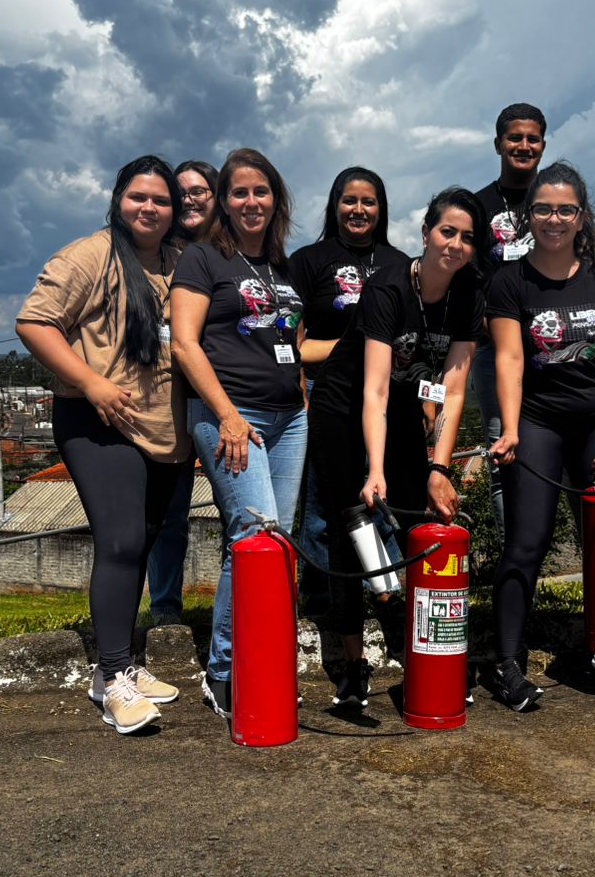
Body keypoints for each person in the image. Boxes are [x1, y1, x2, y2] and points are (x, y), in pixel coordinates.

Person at [16, 154, 190, 734]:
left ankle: (122, 661)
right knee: (119, 542)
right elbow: (35, 321)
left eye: (160, 200)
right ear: (118, 200)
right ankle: (112, 675)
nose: (149, 208)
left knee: (142, 544)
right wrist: (91, 382)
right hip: (99, 421)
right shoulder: (90, 255)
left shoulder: (180, 260)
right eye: (138, 197)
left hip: (165, 426)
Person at [305, 188, 486, 705]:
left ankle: (422, 654)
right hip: (344, 405)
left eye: (467, 237)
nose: (454, 244)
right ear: (426, 232)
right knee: (350, 525)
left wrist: (439, 468)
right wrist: (375, 470)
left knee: (416, 519)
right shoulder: (389, 287)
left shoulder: (470, 291)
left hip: (405, 407)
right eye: (446, 231)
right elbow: (374, 388)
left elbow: (453, 388)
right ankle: (354, 666)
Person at [488, 161, 595, 708]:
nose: (554, 218)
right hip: (537, 420)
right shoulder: (510, 280)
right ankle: (506, 662)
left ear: (582, 216)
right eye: (544, 208)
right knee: (526, 542)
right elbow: (509, 359)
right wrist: (509, 429)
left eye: (566, 209)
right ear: (529, 215)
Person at [170, 148, 306, 719]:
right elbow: (184, 342)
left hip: (291, 418)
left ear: (276, 200)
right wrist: (226, 413)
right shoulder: (203, 259)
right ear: (224, 202)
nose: (252, 202)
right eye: (239, 192)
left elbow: (295, 346)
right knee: (255, 539)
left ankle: (260, 659)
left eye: (261, 192)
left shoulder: (284, 267)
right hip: (232, 415)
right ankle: (225, 672)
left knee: (273, 548)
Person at [290, 168, 410, 627]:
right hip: (326, 392)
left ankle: (385, 592)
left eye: (369, 202)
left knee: (382, 491)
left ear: (381, 209)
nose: (359, 210)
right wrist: (304, 392)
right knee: (325, 501)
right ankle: (320, 600)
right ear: (334, 205)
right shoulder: (308, 260)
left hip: (386, 394)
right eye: (349, 200)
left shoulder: (400, 263)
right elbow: (293, 339)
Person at [145, 156, 220, 629]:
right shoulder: (156, 253)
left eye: (200, 191)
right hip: (169, 398)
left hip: (227, 398)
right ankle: (166, 610)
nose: (190, 199)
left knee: (244, 510)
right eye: (182, 192)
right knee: (168, 516)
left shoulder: (235, 254)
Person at [471, 103, 548, 544]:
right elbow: (467, 276)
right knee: (504, 454)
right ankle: (516, 565)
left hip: (550, 349)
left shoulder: (557, 198)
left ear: (543, 144)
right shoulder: (480, 206)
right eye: (514, 137)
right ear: (498, 143)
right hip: (493, 350)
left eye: (532, 138)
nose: (523, 146)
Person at [173, 159, 218, 242]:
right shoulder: (162, 252)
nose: (187, 201)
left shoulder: (241, 247)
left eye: (197, 192)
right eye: (180, 194)